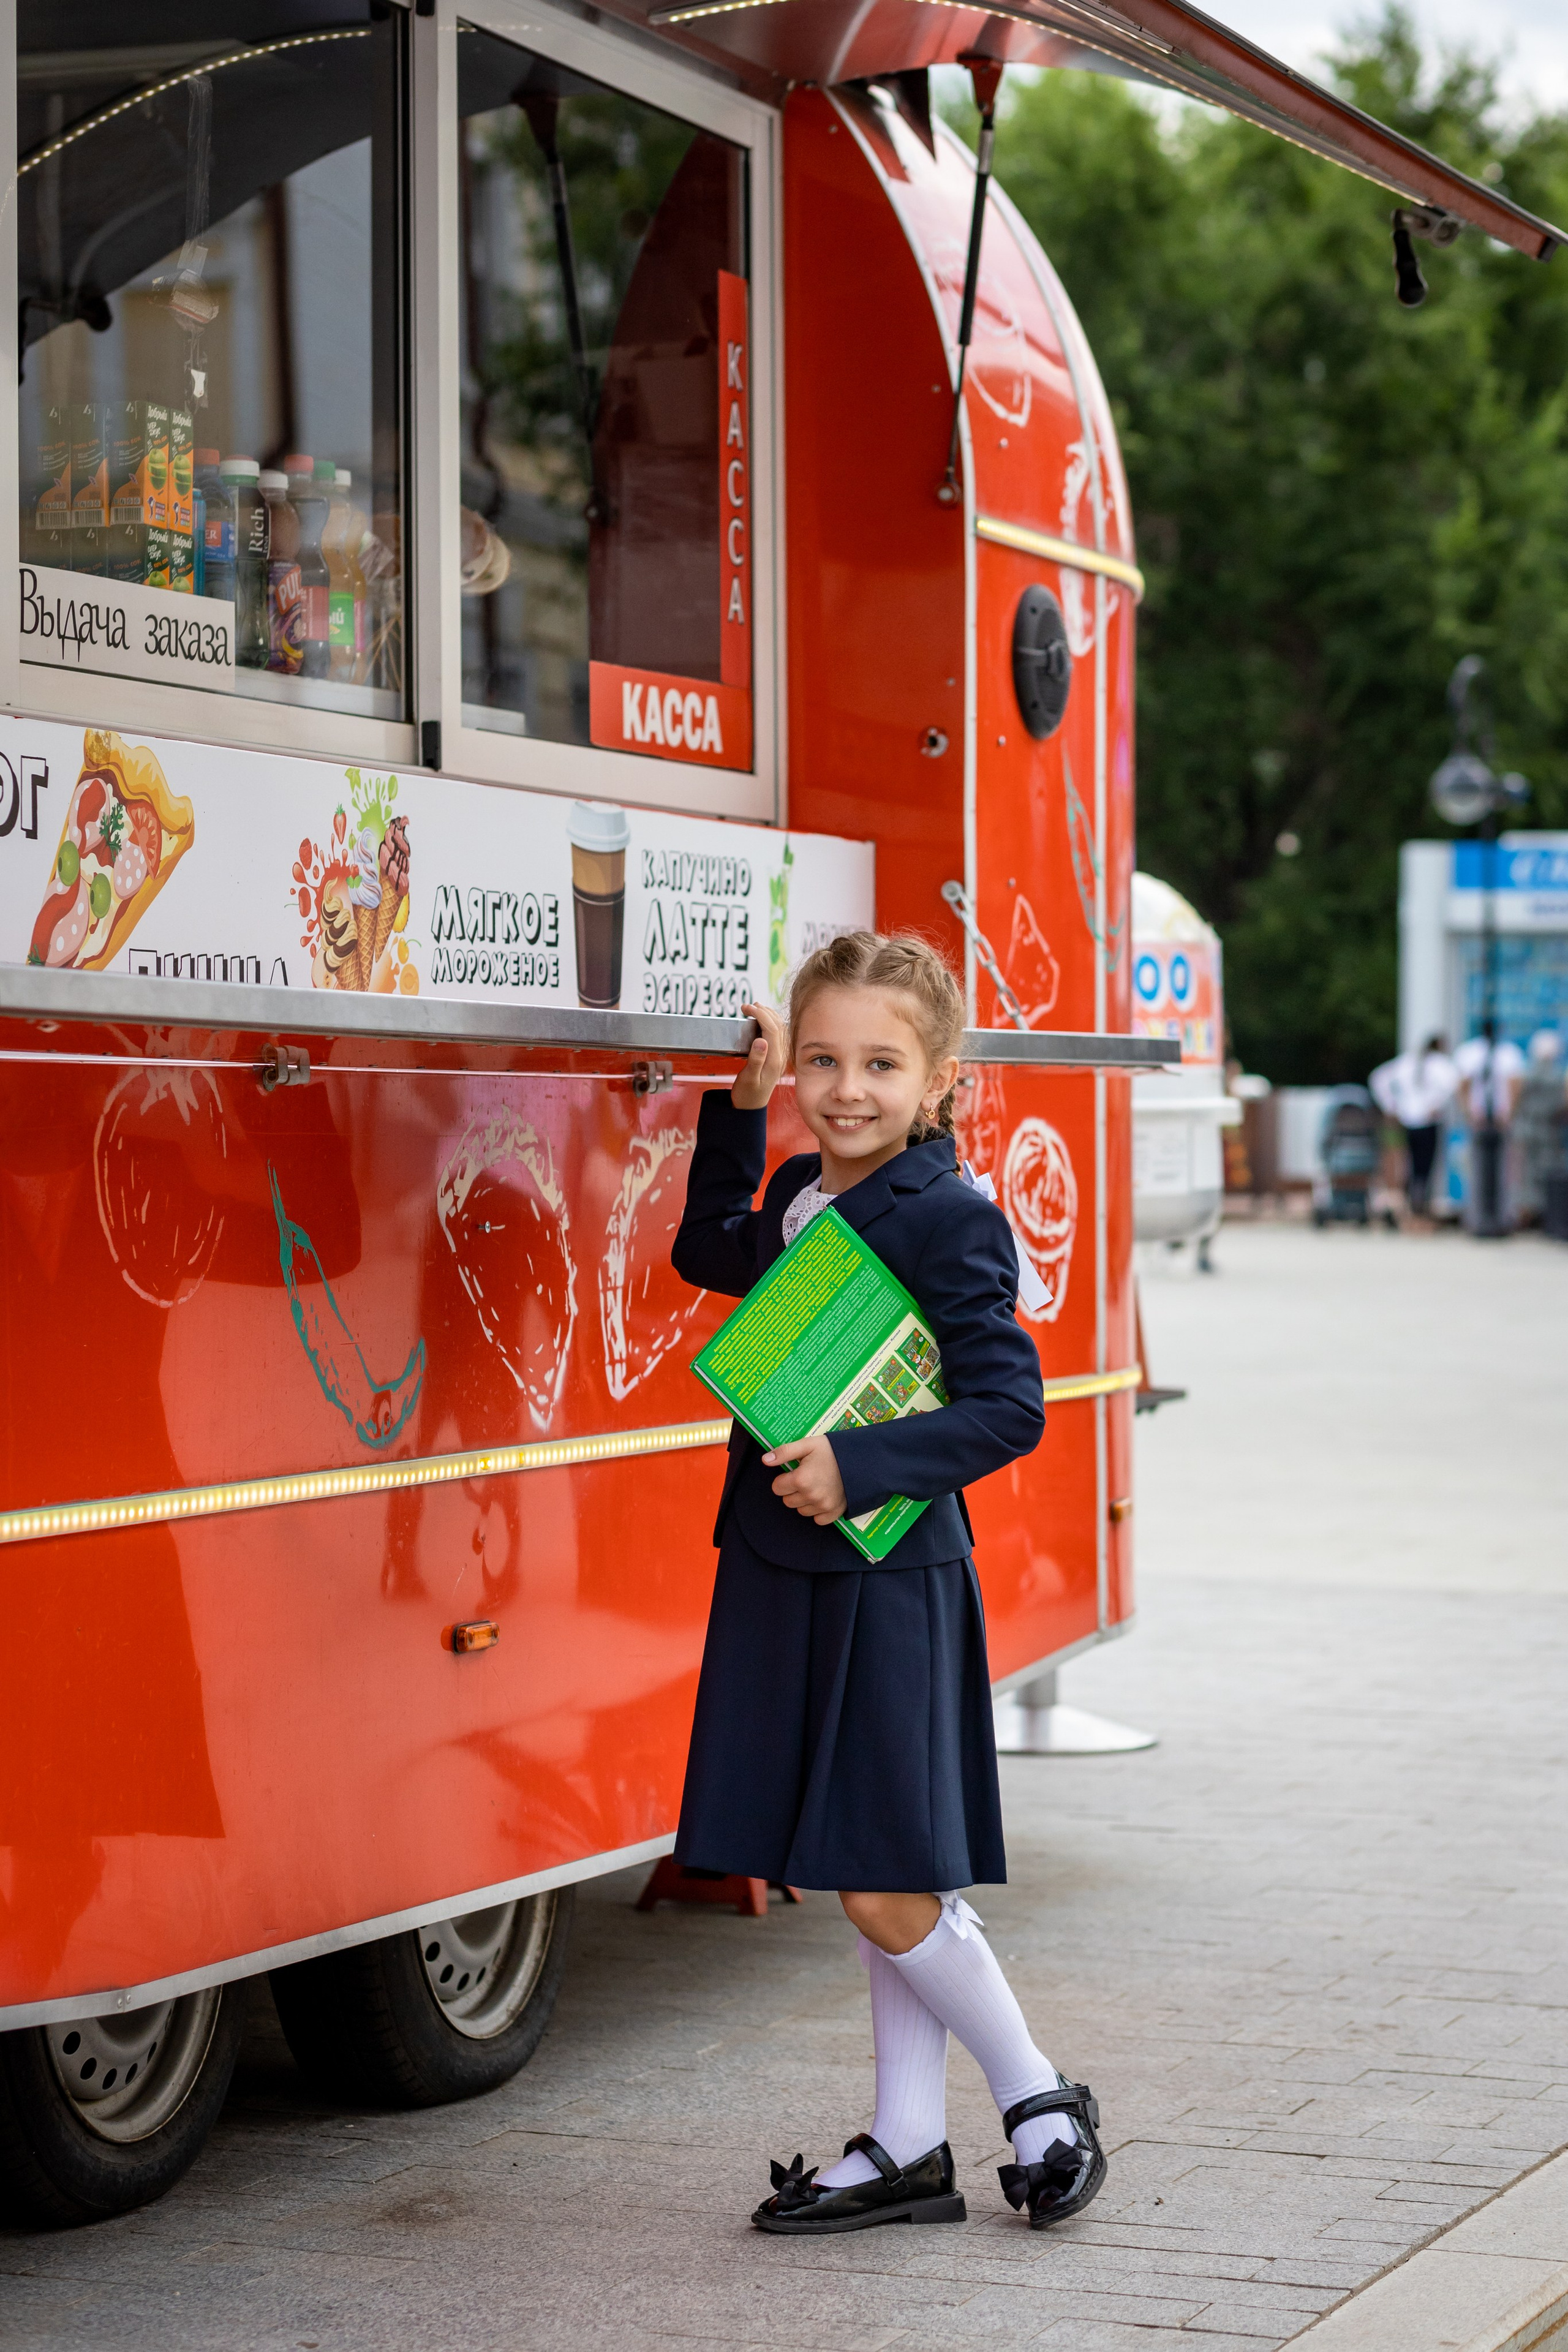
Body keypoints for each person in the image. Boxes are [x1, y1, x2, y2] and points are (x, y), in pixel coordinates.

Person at [669, 932, 1106, 2238]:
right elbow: (708, 1253)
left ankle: (1037, 2102)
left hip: (886, 1576)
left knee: (882, 1882)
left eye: (878, 1063)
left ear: (941, 1081)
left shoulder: (949, 1215)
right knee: (870, 1862)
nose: (844, 1087)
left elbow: (1008, 1407)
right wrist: (738, 1117)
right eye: (821, 1059)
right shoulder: (806, 1190)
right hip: (791, 1567)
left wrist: (857, 1467)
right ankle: (907, 2145)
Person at [1368, 1034, 1457, 1218]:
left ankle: (1412, 1204)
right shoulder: (1438, 1064)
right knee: (1424, 1166)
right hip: (1426, 1122)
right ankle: (1419, 1207)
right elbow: (1453, 1084)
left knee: (1411, 1165)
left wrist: (1391, 1106)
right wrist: (1437, 1106)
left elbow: (1378, 1078)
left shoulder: (1406, 1062)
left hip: (1407, 1120)